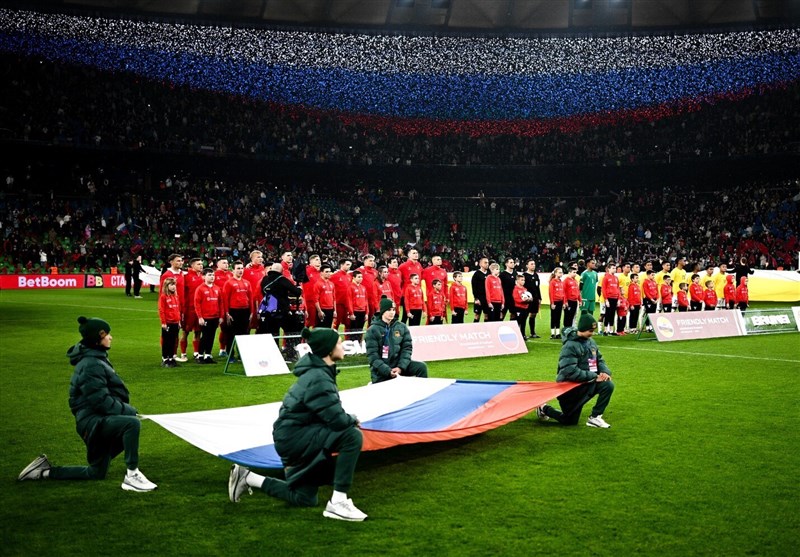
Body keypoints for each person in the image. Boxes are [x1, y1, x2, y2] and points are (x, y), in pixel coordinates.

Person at [227, 328, 368, 521]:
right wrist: (353, 418)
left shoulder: (319, 373)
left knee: (305, 498)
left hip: (293, 435)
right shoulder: (319, 378)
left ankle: (248, 477)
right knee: (352, 435)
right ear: (328, 349)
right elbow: (337, 421)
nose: (342, 345)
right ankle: (338, 502)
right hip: (294, 438)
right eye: (338, 342)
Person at [17, 317, 157, 491]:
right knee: (131, 424)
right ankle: (132, 475)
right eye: (106, 334)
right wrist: (130, 411)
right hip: (92, 422)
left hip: (95, 419)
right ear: (97, 338)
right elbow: (101, 401)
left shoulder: (95, 358)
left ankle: (43, 472)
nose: (111, 337)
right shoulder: (91, 364)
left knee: (96, 472)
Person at [537, 310, 615, 429]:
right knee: (569, 421)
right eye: (590, 331)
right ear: (582, 329)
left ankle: (595, 417)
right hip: (569, 388)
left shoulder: (591, 342)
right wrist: (594, 377)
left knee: (607, 385)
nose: (592, 334)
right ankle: (543, 408)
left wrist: (604, 371)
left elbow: (599, 359)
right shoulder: (570, 346)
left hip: (585, 383)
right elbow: (569, 371)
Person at [365, 298, 429, 384]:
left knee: (421, 367)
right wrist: (387, 370)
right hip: (382, 370)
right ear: (382, 311)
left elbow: (407, 349)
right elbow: (373, 356)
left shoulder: (401, 327)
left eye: (393, 310)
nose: (392, 312)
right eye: (389, 310)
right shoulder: (372, 330)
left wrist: (400, 367)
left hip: (399, 365)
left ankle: (422, 391)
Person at [257, 263, 303, 338]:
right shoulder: (282, 280)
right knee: (291, 331)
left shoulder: (264, 279)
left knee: (271, 334)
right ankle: (290, 344)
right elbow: (297, 292)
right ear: (281, 271)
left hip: (268, 310)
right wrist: (299, 288)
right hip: (281, 311)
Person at [194, 268, 222, 363]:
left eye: (213, 275)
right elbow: (197, 304)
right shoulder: (200, 289)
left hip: (215, 317)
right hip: (205, 317)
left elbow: (220, 303)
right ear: (203, 277)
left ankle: (208, 355)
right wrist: (200, 317)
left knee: (211, 336)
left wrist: (221, 316)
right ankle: (200, 355)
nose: (212, 277)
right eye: (209, 275)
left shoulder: (217, 288)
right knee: (205, 336)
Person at [181, 257, 205, 362]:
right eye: (198, 264)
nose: (201, 266)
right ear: (192, 266)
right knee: (185, 332)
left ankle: (196, 353)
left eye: (201, 264)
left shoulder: (203, 277)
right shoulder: (186, 277)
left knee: (198, 332)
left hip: (200, 310)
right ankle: (183, 353)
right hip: (189, 309)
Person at [159, 277, 182, 367]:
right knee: (167, 341)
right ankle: (165, 358)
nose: (173, 287)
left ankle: (171, 358)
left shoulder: (176, 296)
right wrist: (163, 322)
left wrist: (179, 321)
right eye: (171, 285)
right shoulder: (163, 297)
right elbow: (162, 310)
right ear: (166, 286)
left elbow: (178, 310)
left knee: (173, 341)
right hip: (168, 323)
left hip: (175, 322)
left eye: (174, 285)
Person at [523, 260, 542, 338]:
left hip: (535, 298)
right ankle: (522, 333)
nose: (533, 265)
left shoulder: (536, 275)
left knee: (533, 315)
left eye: (534, 264)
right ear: (527, 266)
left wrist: (539, 298)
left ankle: (532, 332)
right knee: (525, 315)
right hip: (527, 299)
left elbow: (538, 287)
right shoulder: (524, 275)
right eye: (531, 264)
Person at [601, 263, 621, 336]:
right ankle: (605, 330)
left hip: (615, 298)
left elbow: (618, 289)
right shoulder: (606, 277)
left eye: (615, 268)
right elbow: (603, 289)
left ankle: (611, 330)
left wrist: (618, 299)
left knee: (613, 314)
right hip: (609, 298)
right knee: (607, 314)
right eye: (613, 268)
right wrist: (606, 299)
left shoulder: (616, 278)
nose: (614, 269)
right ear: (608, 269)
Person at [314, 264, 337, 328]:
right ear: (321, 273)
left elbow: (334, 298)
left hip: (331, 309)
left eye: (329, 271)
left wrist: (335, 310)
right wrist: (319, 311)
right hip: (323, 309)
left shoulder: (332, 284)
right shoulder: (318, 284)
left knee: (328, 328)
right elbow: (315, 299)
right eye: (326, 272)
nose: (329, 273)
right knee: (321, 328)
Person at [510, 273, 530, 338]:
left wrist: (529, 299)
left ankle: (523, 334)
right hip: (519, 308)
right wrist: (523, 301)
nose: (523, 281)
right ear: (517, 281)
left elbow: (528, 297)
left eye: (524, 280)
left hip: (525, 308)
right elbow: (516, 299)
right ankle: (517, 335)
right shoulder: (515, 289)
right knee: (518, 322)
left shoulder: (525, 289)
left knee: (524, 322)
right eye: (522, 280)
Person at [471, 256, 489, 323]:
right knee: (477, 315)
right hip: (479, 298)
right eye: (485, 262)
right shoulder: (476, 274)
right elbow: (474, 287)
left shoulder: (489, 273)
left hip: (487, 298)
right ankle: (475, 328)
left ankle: (486, 328)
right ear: (480, 264)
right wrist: (476, 298)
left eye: (487, 263)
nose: (487, 264)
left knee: (487, 315)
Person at [562, 265, 581, 329]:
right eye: (574, 272)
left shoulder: (575, 281)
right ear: (569, 272)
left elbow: (578, 291)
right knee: (567, 316)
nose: (575, 274)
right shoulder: (566, 281)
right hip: (569, 301)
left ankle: (570, 329)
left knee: (572, 316)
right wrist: (565, 301)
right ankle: (566, 329)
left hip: (575, 301)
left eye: (576, 272)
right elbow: (563, 292)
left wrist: (580, 300)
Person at [549, 267, 564, 339]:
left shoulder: (561, 282)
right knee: (553, 317)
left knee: (558, 317)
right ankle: (552, 333)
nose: (561, 274)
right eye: (559, 272)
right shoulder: (552, 282)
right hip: (555, 302)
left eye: (561, 272)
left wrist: (564, 302)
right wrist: (552, 303)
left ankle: (557, 333)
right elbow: (551, 293)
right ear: (555, 273)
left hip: (560, 302)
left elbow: (563, 293)